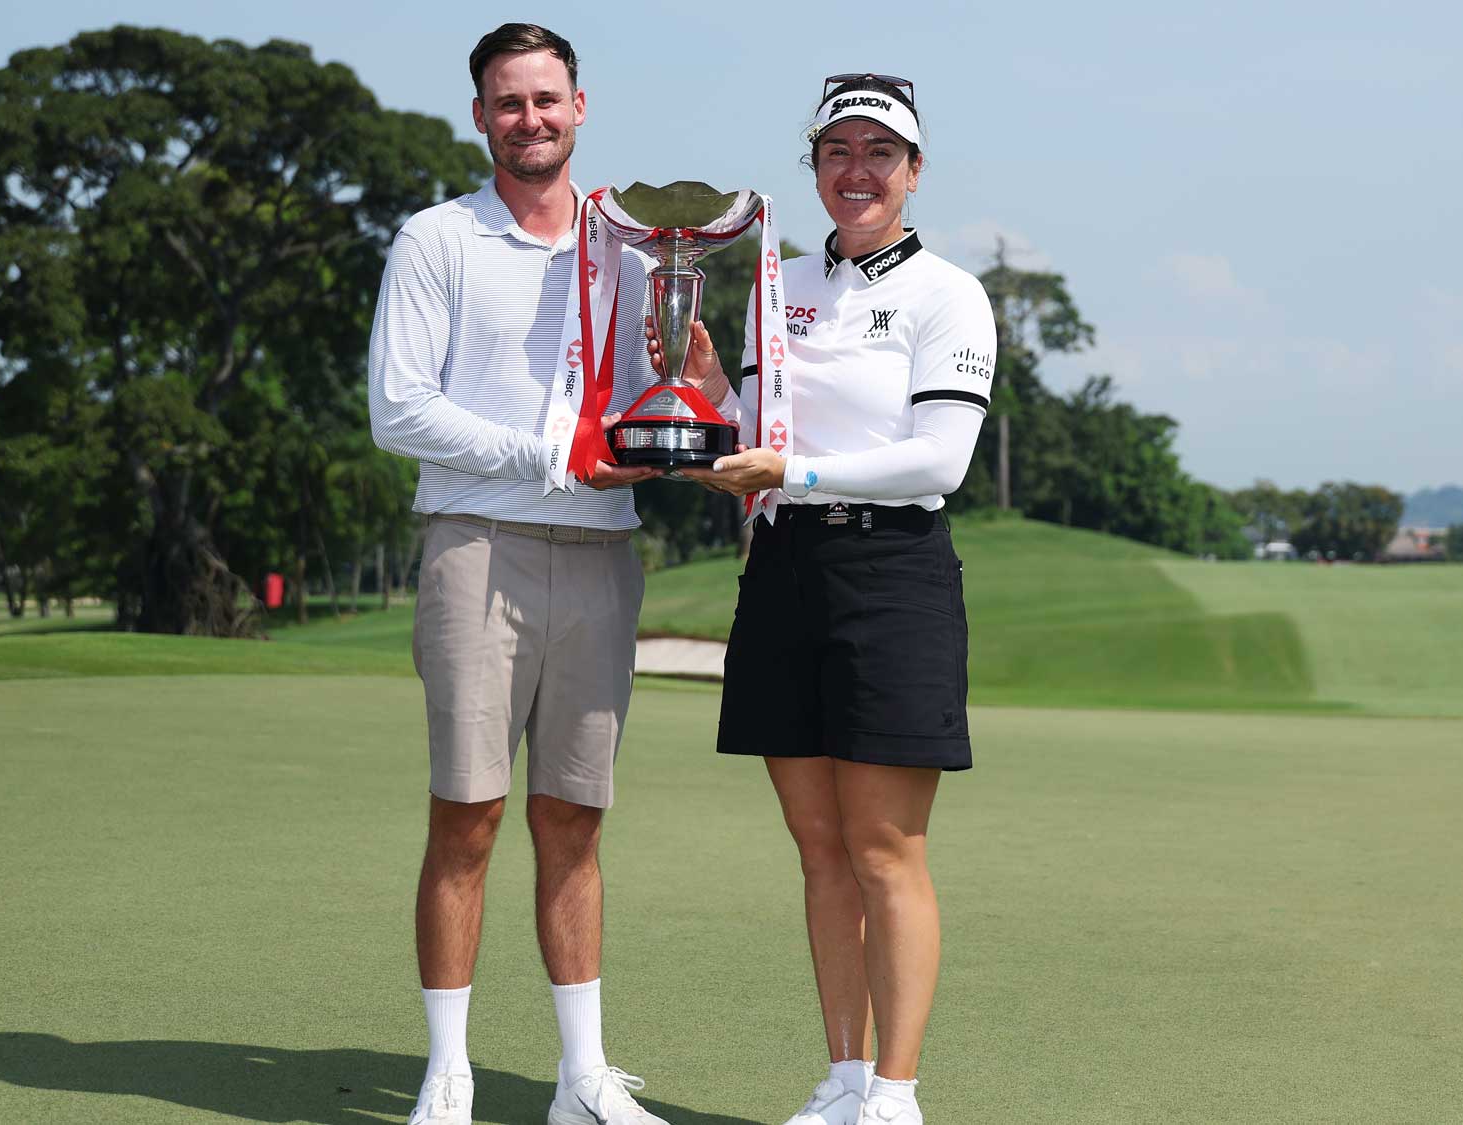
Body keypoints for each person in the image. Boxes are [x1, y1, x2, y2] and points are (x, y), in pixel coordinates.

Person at [670, 73, 995, 1125]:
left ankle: (894, 1095)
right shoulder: (777, 283)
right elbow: (761, 429)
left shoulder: (947, 294)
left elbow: (936, 457)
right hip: (783, 571)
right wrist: (711, 389)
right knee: (818, 847)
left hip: (890, 574)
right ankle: (842, 1077)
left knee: (883, 848)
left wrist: (791, 478)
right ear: (812, 166)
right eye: (834, 152)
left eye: (878, 152)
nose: (854, 171)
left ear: (912, 171)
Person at [367, 23, 674, 1125]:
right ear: (480, 116)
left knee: (575, 818)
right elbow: (398, 407)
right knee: (468, 813)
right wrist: (535, 456)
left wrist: (694, 401)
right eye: (508, 102)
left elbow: (648, 399)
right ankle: (447, 1070)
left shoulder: (634, 247)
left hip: (600, 552)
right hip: (476, 545)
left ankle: (580, 1079)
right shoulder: (436, 240)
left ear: (579, 108)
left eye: (547, 100)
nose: (529, 119)